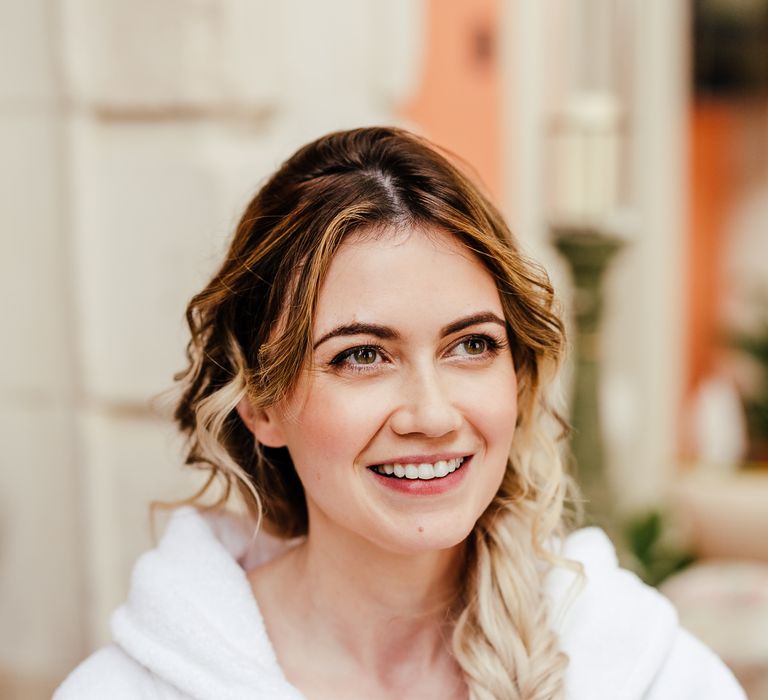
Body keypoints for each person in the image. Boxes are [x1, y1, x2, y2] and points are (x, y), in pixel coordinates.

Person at [54, 127, 745, 700]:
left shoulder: (636, 668)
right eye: (361, 357)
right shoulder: (133, 689)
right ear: (262, 403)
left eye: (471, 345)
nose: (433, 413)